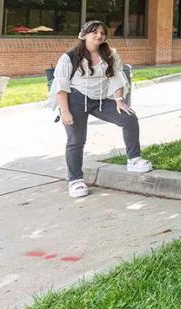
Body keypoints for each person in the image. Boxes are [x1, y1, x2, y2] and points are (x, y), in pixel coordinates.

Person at [51, 20, 151, 198]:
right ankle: (75, 180)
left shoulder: (110, 54)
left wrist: (119, 100)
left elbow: (117, 77)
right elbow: (60, 86)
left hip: (101, 99)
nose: (99, 36)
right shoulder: (70, 57)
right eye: (94, 32)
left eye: (102, 33)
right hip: (75, 99)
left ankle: (134, 160)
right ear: (84, 35)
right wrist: (65, 111)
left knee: (129, 118)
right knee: (76, 139)